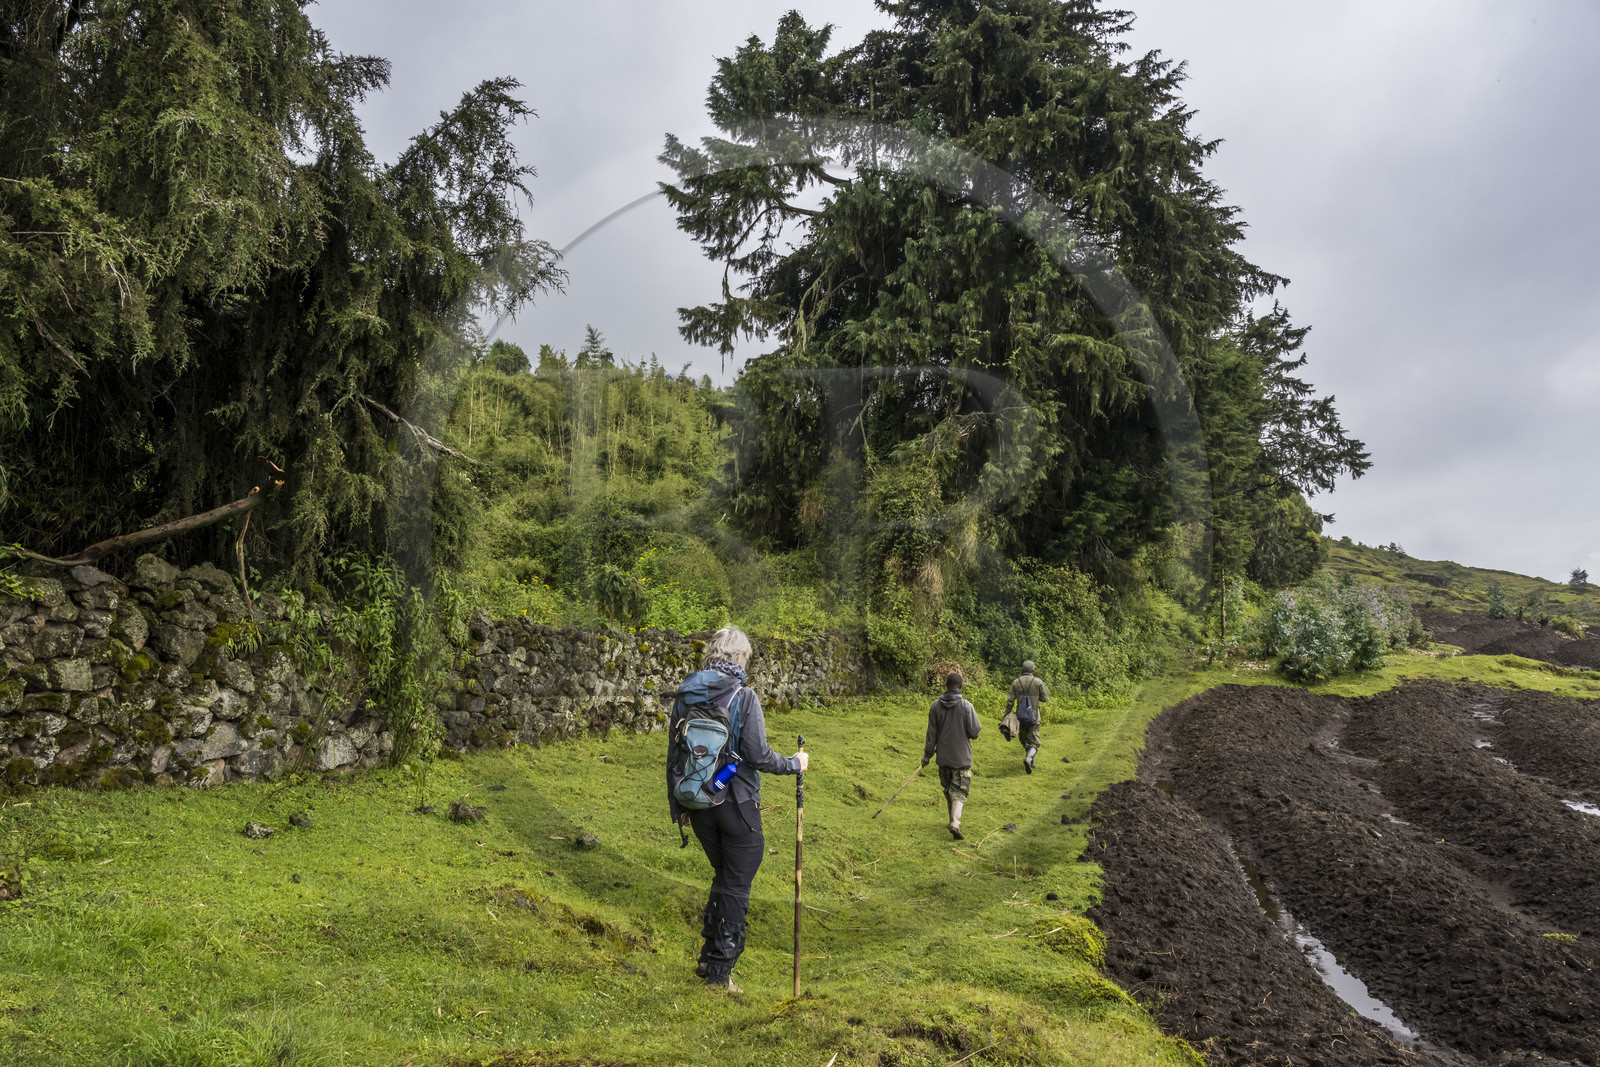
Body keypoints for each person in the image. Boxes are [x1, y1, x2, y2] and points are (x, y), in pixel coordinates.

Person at [666, 627, 808, 992]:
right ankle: (719, 974)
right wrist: (795, 763)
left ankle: (708, 960)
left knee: (726, 876)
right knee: (738, 882)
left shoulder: (687, 693)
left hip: (697, 801)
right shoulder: (744, 697)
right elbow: (759, 756)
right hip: (736, 802)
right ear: (740, 657)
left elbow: (674, 756)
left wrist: (677, 808)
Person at [921, 671, 980, 840]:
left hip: (943, 757)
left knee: (948, 790)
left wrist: (927, 755)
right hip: (961, 758)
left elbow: (931, 734)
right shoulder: (966, 706)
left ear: (946, 686)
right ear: (960, 687)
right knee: (960, 791)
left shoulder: (935, 706)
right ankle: (955, 823)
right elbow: (975, 732)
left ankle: (951, 821)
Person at [1005, 659, 1050, 774]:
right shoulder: (1038, 682)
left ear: (1023, 669)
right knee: (1034, 741)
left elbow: (1010, 700)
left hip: (1021, 716)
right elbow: (1045, 699)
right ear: (1033, 670)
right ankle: (1029, 758)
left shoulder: (1016, 682)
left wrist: (1007, 715)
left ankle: (1030, 758)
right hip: (1034, 716)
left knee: (1023, 738)